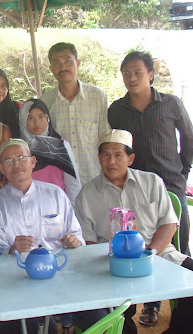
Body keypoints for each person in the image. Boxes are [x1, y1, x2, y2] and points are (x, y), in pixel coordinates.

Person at [75, 129, 193, 334]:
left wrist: (151, 253)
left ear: (130, 159)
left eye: (118, 155)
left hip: (159, 255)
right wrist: (113, 259)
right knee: (102, 308)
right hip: (110, 262)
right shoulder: (86, 194)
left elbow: (169, 224)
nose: (111, 161)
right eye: (105, 155)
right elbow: (88, 241)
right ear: (99, 158)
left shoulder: (152, 182)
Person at [0, 138, 102, 334]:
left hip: (61, 275)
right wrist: (12, 249)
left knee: (98, 316)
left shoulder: (55, 194)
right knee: (27, 328)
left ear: (32, 162)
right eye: (9, 160)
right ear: (1, 168)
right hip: (17, 280)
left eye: (21, 157)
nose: (16, 164)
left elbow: (76, 235)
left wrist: (75, 241)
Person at [108, 51, 193, 256]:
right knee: (140, 248)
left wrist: (182, 173)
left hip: (172, 186)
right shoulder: (117, 110)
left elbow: (189, 140)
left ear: (151, 74)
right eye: (127, 74)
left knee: (179, 249)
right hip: (137, 191)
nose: (132, 78)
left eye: (138, 72)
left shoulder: (171, 103)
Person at [40, 42, 110, 185]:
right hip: (61, 182)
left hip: (94, 178)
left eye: (67, 61)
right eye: (57, 63)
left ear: (77, 63)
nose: (63, 67)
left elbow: (106, 139)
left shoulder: (98, 97)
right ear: (51, 69)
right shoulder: (45, 102)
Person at [18, 99, 81, 204]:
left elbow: (72, 184)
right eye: (30, 118)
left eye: (41, 117)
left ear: (47, 118)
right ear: (23, 121)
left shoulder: (60, 146)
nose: (36, 122)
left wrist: (73, 212)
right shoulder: (19, 149)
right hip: (29, 207)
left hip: (58, 206)